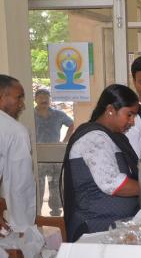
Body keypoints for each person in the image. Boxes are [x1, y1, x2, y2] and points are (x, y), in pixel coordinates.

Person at [63, 84, 140, 242]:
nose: (132, 122)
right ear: (111, 110)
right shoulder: (94, 138)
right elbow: (113, 183)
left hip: (114, 227)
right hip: (95, 228)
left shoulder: (112, 137)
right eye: (129, 115)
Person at [0, 74, 36, 233]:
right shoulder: (15, 131)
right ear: (2, 96)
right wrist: (23, 229)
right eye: (18, 97)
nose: (22, 104)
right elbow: (20, 186)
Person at [34, 88, 74, 216]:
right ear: (35, 100)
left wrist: (64, 141)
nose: (43, 99)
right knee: (38, 187)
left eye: (46, 97)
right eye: (40, 97)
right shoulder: (30, 115)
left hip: (54, 156)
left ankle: (56, 212)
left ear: (50, 99)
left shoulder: (58, 114)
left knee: (56, 186)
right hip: (38, 156)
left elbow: (71, 124)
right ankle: (37, 213)